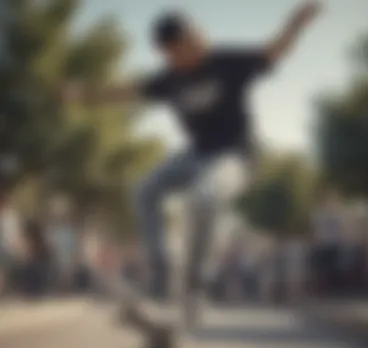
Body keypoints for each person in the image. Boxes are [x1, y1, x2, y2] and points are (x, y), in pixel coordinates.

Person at [63, 1, 322, 324]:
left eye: (184, 49)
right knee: (145, 190)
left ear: (196, 37)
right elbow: (126, 91)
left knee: (204, 198)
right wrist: (82, 93)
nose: (180, 60)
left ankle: (194, 290)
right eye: (171, 55)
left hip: (236, 156)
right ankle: (161, 278)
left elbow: (273, 52)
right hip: (195, 155)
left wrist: (295, 24)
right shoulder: (170, 78)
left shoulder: (226, 62)